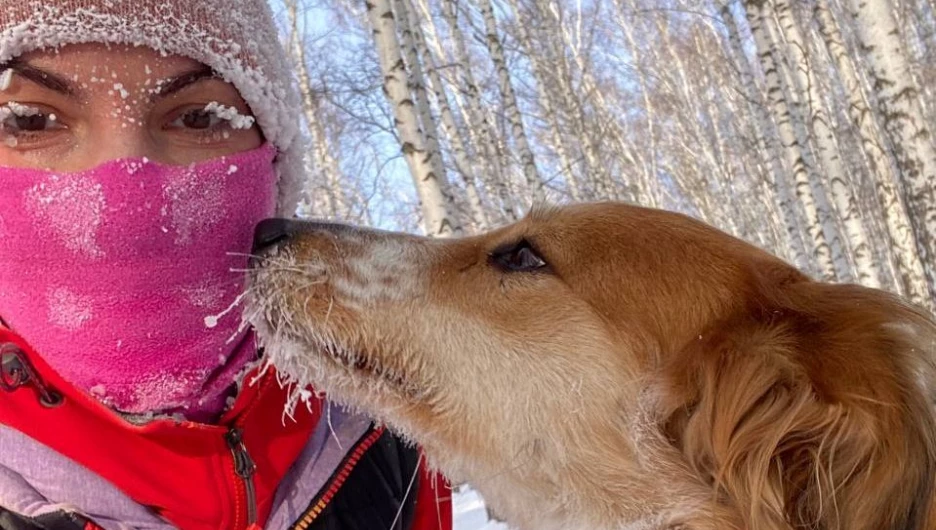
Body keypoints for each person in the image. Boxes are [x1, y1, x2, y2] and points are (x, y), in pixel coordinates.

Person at [0, 1, 453, 529]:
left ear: (276, 168)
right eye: (30, 121)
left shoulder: (390, 428)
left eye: (200, 117)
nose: (126, 212)